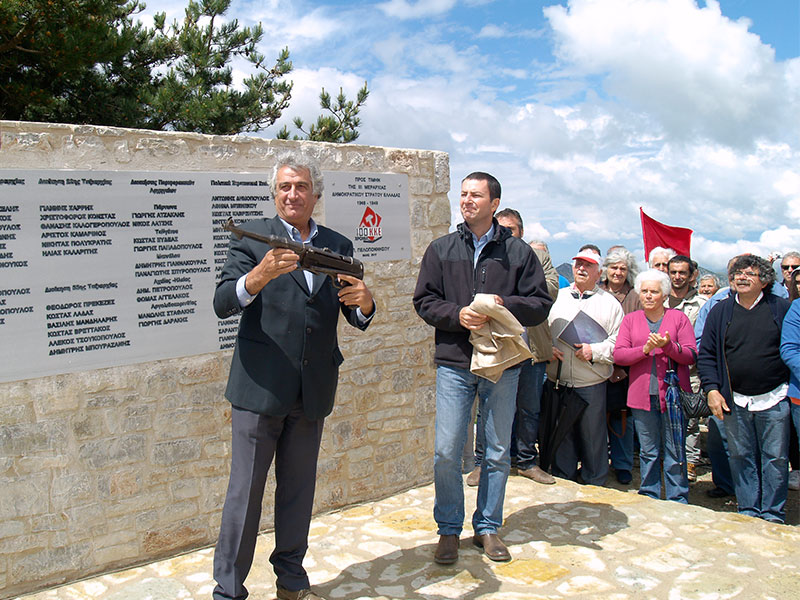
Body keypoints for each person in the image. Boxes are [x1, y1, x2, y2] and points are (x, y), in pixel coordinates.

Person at [212, 153, 376, 600]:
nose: (292, 194)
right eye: (285, 186)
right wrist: (258, 276)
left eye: (301, 186)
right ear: (274, 192)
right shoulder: (252, 240)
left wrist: (364, 303)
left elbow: (352, 311)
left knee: (298, 493)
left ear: (315, 194)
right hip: (259, 387)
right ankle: (228, 590)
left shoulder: (339, 245)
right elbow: (223, 301)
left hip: (312, 389)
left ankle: (291, 579)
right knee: (244, 496)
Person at [413, 172, 552, 565]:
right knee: (445, 451)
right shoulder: (441, 249)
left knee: (495, 451)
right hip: (455, 363)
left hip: (502, 364)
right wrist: (458, 314)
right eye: (464, 194)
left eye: (476, 195)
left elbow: (540, 303)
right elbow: (424, 301)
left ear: (494, 204)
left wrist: (501, 305)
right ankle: (449, 529)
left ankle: (488, 527)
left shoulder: (519, 253)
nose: (467, 200)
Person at [697, 255, 791, 523]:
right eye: (738, 272)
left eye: (750, 273)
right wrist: (712, 390)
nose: (742, 277)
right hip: (734, 399)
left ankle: (773, 513)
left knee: (775, 458)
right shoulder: (721, 311)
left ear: (764, 280)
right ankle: (748, 510)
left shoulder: (780, 308)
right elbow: (707, 354)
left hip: (775, 397)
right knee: (740, 456)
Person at [467, 211, 557, 487]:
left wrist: (506, 300)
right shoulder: (491, 256)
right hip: (496, 347)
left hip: (530, 347)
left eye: (513, 229)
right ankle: (483, 463)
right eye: (502, 228)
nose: (507, 232)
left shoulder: (536, 257)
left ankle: (527, 461)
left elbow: (550, 288)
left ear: (521, 231)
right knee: (488, 408)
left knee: (529, 407)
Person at [613, 269, 696, 503]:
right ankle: (649, 494)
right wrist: (645, 350)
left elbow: (690, 354)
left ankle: (677, 496)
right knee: (648, 451)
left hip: (673, 396)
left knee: (674, 449)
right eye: (645, 291)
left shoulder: (679, 319)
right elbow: (619, 355)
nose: (649, 296)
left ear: (664, 294)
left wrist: (668, 346)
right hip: (641, 394)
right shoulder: (630, 320)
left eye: (654, 291)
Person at [546, 248, 623, 485]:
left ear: (599, 273)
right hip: (558, 380)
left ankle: (596, 482)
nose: (581, 268)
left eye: (588, 265)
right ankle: (563, 480)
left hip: (591, 381)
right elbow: (540, 329)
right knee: (563, 436)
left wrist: (594, 352)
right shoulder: (557, 296)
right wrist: (547, 347)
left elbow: (618, 342)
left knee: (593, 437)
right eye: (578, 264)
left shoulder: (609, 304)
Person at [599, 247, 641, 485]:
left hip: (625, 369)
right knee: (596, 417)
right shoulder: (597, 292)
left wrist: (620, 367)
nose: (617, 272)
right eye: (614, 267)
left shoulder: (635, 296)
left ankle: (623, 464)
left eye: (622, 268)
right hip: (596, 364)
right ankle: (597, 461)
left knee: (622, 417)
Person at [666, 255, 706, 482]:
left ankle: (690, 462)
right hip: (663, 371)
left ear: (692, 276)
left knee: (689, 422)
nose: (677, 277)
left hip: (690, 371)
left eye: (682, 272)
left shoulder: (701, 305)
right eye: (673, 272)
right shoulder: (660, 301)